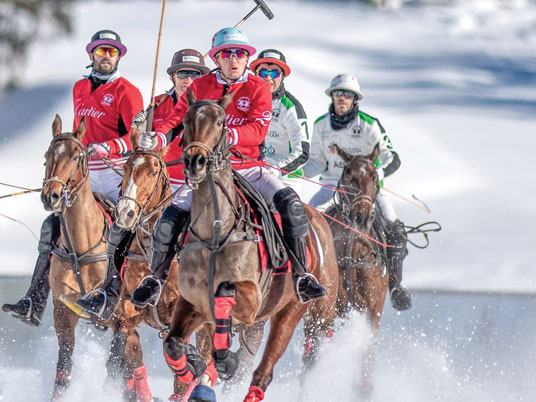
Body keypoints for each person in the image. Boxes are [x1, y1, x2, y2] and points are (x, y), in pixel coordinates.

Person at [130, 27, 326, 308]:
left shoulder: (258, 87)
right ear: (217, 58)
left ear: (247, 58)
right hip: (209, 173)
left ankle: (301, 275)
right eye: (227, 54)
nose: (234, 60)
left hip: (248, 169)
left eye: (241, 54)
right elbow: (176, 117)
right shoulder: (200, 86)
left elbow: (258, 129)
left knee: (291, 204)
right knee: (171, 214)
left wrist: (227, 135)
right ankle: (156, 278)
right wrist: (159, 135)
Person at [3, 29, 143, 326]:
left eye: (112, 52)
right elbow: (80, 132)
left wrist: (108, 146)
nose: (106, 57)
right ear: (91, 54)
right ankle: (34, 300)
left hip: (114, 172)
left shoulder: (127, 91)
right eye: (101, 51)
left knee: (123, 229)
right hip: (83, 175)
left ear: (119, 56)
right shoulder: (80, 87)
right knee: (52, 225)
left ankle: (114, 294)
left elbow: (136, 138)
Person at [75, 48, 211, 318]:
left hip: (195, 182)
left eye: (195, 75)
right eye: (183, 73)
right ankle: (108, 292)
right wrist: (130, 136)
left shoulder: (209, 109)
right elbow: (133, 137)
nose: (188, 79)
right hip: (158, 183)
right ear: (173, 77)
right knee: (121, 226)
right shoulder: (157, 105)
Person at [303, 74, 411, 311]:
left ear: (355, 99)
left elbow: (392, 158)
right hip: (332, 185)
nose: (342, 98)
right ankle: (304, 280)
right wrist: (291, 171)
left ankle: (395, 286)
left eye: (348, 94)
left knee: (394, 227)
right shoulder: (321, 125)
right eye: (338, 93)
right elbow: (316, 163)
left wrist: (375, 177)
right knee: (303, 223)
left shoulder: (369, 124)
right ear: (332, 96)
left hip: (367, 190)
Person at [249, 49, 313, 200]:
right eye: (263, 72)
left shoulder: (290, 107)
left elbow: (302, 152)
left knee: (288, 213)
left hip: (283, 178)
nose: (269, 78)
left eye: (275, 73)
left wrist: (276, 170)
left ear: (282, 76)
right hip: (250, 172)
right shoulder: (245, 101)